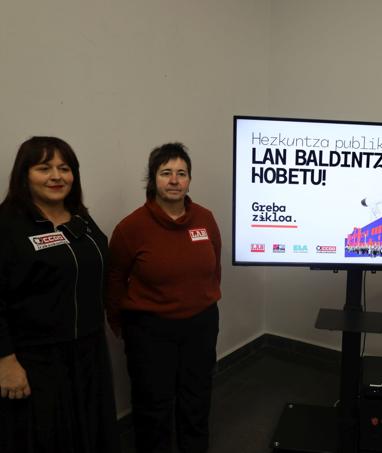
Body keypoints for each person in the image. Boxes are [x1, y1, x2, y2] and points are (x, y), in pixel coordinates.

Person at [0, 136, 120, 453]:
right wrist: (5, 362)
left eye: (64, 168)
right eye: (44, 167)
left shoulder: (80, 218)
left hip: (88, 350)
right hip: (36, 357)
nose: (56, 176)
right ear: (24, 174)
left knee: (90, 431)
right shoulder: (8, 225)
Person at [107, 142, 222, 453]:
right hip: (149, 330)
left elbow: (215, 267)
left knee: (196, 399)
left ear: (189, 180)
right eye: (166, 173)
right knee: (153, 406)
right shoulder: (132, 227)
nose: (174, 180)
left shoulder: (205, 219)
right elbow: (115, 279)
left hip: (200, 325)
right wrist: (121, 323)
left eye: (181, 173)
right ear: (153, 179)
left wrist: (204, 300)